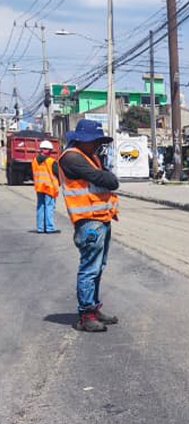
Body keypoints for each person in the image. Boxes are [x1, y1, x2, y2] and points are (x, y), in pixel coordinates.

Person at [57, 119, 120, 333]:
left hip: (100, 218)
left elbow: (107, 179)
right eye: (94, 141)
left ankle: (93, 307)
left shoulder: (88, 156)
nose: (97, 145)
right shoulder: (72, 158)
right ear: (82, 140)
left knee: (98, 268)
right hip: (89, 222)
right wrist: (108, 177)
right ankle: (86, 314)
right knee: (89, 269)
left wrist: (107, 176)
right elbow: (108, 180)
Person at [31, 140, 60, 233]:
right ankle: (49, 228)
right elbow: (58, 174)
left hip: (39, 187)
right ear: (48, 150)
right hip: (49, 187)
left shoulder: (35, 161)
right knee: (49, 207)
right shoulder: (51, 161)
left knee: (40, 207)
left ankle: (40, 228)